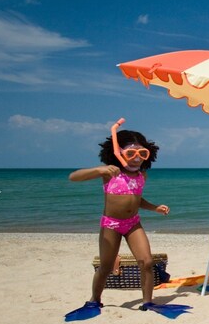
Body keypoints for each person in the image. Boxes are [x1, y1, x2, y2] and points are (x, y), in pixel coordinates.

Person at [68, 128, 169, 314]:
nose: (137, 158)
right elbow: (73, 177)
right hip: (111, 225)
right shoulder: (110, 173)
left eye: (142, 153)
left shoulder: (141, 176)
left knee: (146, 262)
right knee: (106, 267)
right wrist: (99, 169)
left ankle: (148, 302)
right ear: (119, 153)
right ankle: (95, 300)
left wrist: (154, 208)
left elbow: (136, 199)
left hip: (133, 223)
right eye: (131, 153)